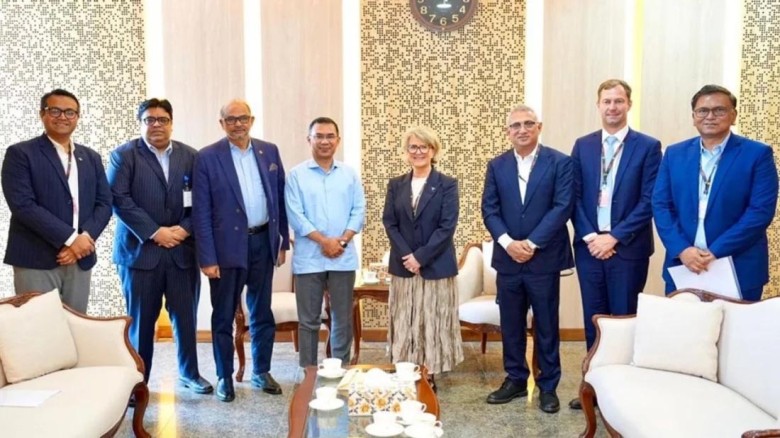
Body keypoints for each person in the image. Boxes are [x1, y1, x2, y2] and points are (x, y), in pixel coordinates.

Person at [107, 98, 211, 393]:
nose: (156, 125)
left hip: (181, 250)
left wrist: (184, 229)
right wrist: (155, 232)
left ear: (171, 123)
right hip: (140, 254)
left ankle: (190, 374)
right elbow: (119, 200)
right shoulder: (123, 156)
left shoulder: (191, 156)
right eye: (149, 119)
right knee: (141, 323)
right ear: (140, 123)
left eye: (162, 119)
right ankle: (139, 381)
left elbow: (203, 200)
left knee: (186, 318)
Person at [569, 80, 662, 410]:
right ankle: (594, 386)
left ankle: (622, 392)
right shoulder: (583, 145)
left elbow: (650, 199)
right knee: (594, 318)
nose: (612, 107)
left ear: (629, 105)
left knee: (623, 318)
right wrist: (591, 237)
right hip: (589, 248)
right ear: (598, 105)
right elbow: (573, 196)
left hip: (628, 249)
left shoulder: (648, 146)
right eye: (607, 101)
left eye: (618, 101)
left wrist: (615, 236)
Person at [192, 99, 289, 402]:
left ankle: (261, 371)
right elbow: (201, 212)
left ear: (252, 120)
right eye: (231, 119)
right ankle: (224, 376)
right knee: (223, 316)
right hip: (225, 249)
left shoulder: (269, 151)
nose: (238, 124)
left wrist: (282, 241)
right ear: (222, 123)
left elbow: (280, 199)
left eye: (243, 118)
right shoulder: (207, 157)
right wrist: (207, 258)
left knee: (261, 312)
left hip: (262, 242)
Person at [481, 104, 573, 413]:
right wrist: (508, 243)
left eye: (528, 123)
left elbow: (562, 206)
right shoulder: (497, 165)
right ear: (508, 131)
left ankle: (548, 386)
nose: (522, 129)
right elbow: (489, 209)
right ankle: (516, 379)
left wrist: (531, 243)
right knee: (511, 323)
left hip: (543, 259)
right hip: (508, 259)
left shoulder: (560, 162)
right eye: (516, 125)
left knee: (546, 323)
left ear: (539, 127)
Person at [652, 84, 778, 301]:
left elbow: (760, 212)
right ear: (693, 117)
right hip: (684, 265)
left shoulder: (757, 154)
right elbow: (661, 205)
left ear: (733, 115)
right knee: (684, 323)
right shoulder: (674, 154)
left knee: (736, 324)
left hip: (738, 265)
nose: (710, 116)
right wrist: (682, 249)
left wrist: (716, 251)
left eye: (719, 110)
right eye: (702, 111)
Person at [1, 89, 112, 313]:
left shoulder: (91, 157)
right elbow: (23, 206)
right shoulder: (21, 153)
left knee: (76, 324)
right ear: (42, 114)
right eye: (55, 111)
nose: (63, 117)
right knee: (38, 326)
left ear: (77, 117)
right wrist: (70, 239)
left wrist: (84, 240)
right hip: (36, 257)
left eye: (70, 112)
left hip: (80, 258)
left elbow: (104, 204)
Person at [382, 126, 464, 380]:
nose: (418, 152)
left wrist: (421, 257)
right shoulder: (396, 185)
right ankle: (406, 370)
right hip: (403, 266)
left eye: (424, 147)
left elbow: (447, 226)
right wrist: (408, 256)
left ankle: (429, 373)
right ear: (406, 152)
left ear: (433, 150)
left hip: (436, 266)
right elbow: (390, 223)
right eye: (413, 147)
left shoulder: (447, 184)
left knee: (432, 321)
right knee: (405, 320)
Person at [285, 117, 365, 367]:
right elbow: (295, 215)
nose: (324, 141)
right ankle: (309, 372)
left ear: (338, 141)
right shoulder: (296, 175)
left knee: (342, 319)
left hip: (342, 257)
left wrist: (342, 241)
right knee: (309, 321)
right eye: (318, 136)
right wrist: (324, 241)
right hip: (309, 259)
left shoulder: (349, 175)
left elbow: (359, 211)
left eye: (330, 136)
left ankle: (339, 370)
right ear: (309, 140)